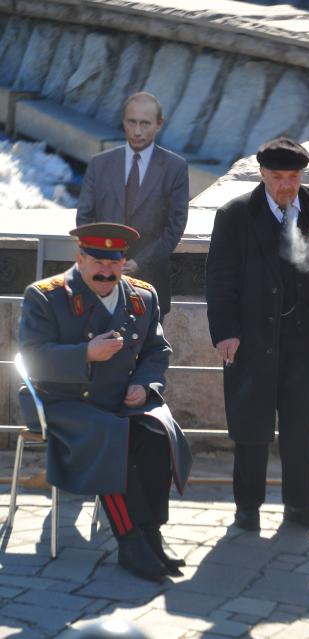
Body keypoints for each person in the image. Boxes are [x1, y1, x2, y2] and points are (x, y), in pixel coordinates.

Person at [18, 222, 192, 582]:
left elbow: (156, 350)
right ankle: (129, 541)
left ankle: (151, 533)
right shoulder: (46, 295)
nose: (106, 271)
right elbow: (31, 358)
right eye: (97, 261)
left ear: (123, 261)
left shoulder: (143, 297)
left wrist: (145, 386)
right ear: (80, 258)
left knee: (158, 433)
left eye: (114, 262)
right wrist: (86, 353)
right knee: (113, 436)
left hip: (121, 398)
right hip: (63, 401)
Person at [206, 137, 309, 533]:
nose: (286, 185)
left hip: (308, 338)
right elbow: (220, 280)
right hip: (251, 339)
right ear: (262, 174)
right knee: (251, 426)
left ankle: (300, 507)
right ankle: (247, 509)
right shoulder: (235, 215)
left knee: (299, 426)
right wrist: (225, 333)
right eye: (277, 177)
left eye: (293, 177)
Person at [76, 91, 189, 319]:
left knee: (149, 353)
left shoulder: (175, 167)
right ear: (123, 121)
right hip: (101, 282)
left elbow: (175, 226)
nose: (137, 131)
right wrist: (107, 262)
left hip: (150, 283)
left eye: (145, 123)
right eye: (132, 122)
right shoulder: (100, 164)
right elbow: (84, 220)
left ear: (159, 124)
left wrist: (139, 262)